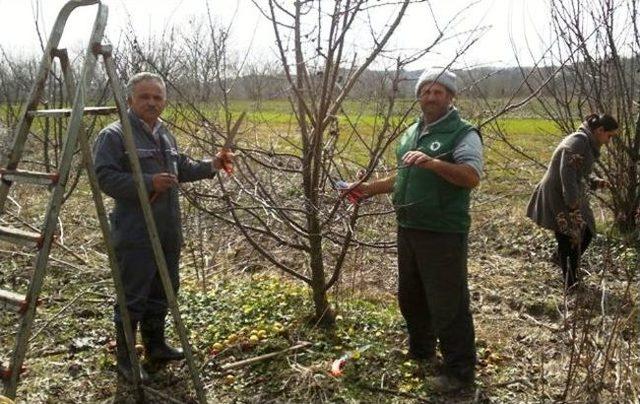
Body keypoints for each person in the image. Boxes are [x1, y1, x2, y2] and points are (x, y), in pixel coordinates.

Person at [348, 68, 483, 392]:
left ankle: (459, 373)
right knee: (411, 296)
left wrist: (434, 163)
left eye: (438, 92)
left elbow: (471, 176)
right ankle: (421, 351)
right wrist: (367, 188)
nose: (431, 97)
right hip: (409, 226)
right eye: (426, 91)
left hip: (443, 231)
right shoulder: (411, 133)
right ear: (419, 96)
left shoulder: (463, 133)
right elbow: (402, 177)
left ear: (450, 97)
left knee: (448, 303)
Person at [93, 72, 233, 382]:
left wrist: (212, 165)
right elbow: (104, 177)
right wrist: (147, 182)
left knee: (163, 290)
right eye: (144, 97)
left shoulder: (165, 135)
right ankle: (127, 360)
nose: (152, 103)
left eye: (157, 97)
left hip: (168, 228)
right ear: (130, 100)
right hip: (135, 231)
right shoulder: (114, 136)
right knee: (133, 295)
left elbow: (181, 168)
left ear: (165, 102)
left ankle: (155, 346)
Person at [527, 113, 618, 289]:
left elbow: (578, 171)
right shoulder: (580, 140)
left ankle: (563, 263)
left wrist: (594, 182)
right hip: (558, 194)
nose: (609, 141)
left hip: (565, 193)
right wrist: (572, 200)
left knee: (584, 232)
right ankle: (571, 284)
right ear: (600, 130)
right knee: (569, 236)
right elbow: (566, 171)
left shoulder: (586, 141)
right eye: (609, 136)